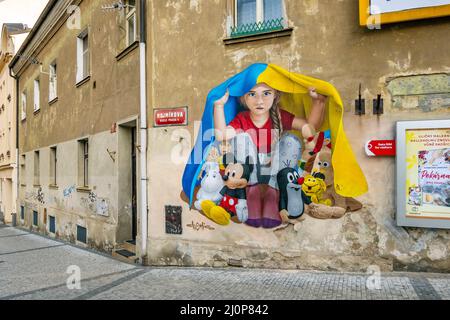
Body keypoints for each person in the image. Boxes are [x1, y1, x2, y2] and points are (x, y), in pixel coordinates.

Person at [213, 83, 327, 228]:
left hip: (274, 171)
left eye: (266, 93)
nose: (259, 100)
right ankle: (252, 194)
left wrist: (319, 102)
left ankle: (273, 196)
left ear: (275, 95)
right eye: (252, 94)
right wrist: (218, 106)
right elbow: (221, 135)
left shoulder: (279, 116)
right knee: (241, 138)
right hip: (250, 172)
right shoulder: (242, 118)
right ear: (243, 98)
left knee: (291, 141)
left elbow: (310, 127)